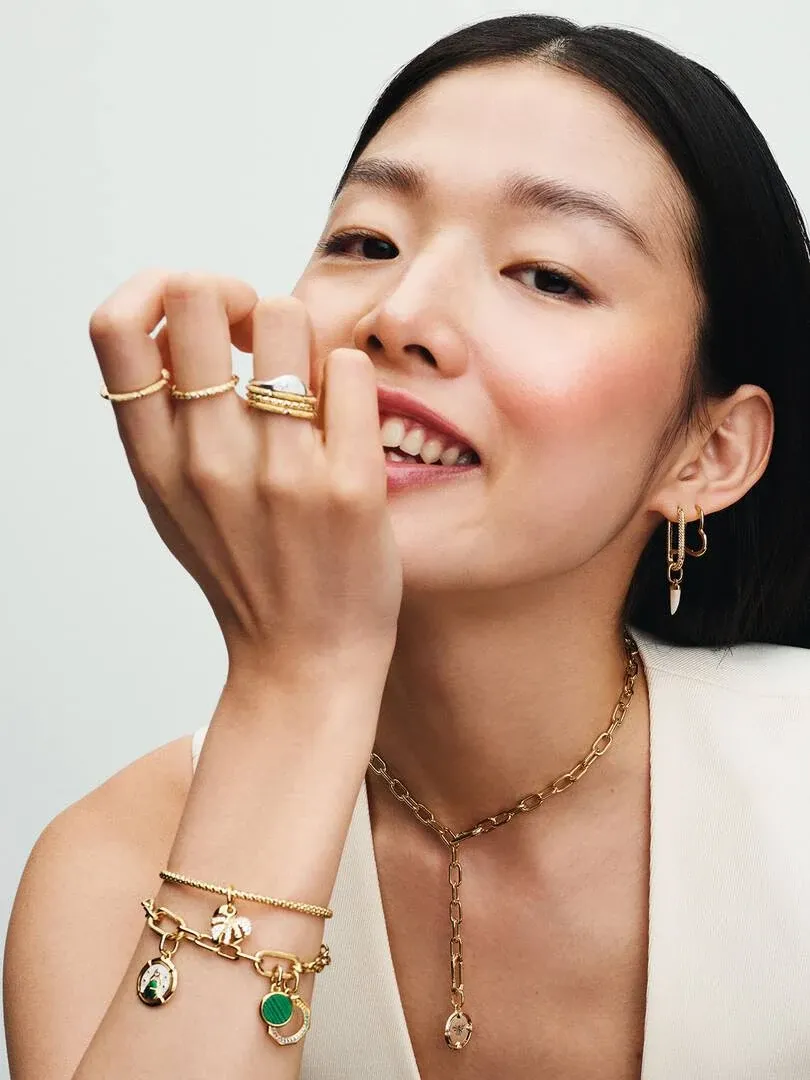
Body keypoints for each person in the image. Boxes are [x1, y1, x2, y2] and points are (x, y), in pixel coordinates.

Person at [5, 12, 810, 1080]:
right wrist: (297, 681)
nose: (400, 311)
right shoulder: (109, 866)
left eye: (549, 275)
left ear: (709, 453)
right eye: (366, 243)